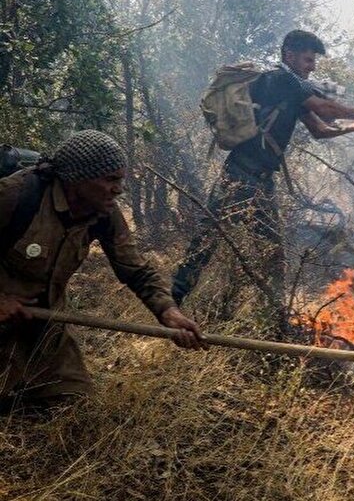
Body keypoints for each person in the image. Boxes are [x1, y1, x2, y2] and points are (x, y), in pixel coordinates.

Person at [172, 30, 354, 333]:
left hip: (261, 181)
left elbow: (320, 130)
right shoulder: (281, 81)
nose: (312, 67)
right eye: (308, 59)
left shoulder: (293, 92)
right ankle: (171, 304)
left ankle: (274, 321)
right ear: (289, 55)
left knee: (272, 253)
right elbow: (323, 108)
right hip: (240, 175)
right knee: (207, 241)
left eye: (313, 62)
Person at [0, 130, 207, 413]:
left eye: (119, 179)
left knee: (74, 405)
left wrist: (169, 312)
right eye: (110, 179)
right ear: (77, 179)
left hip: (43, 324)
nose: (118, 189)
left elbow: (137, 270)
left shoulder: (104, 213)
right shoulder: (16, 196)